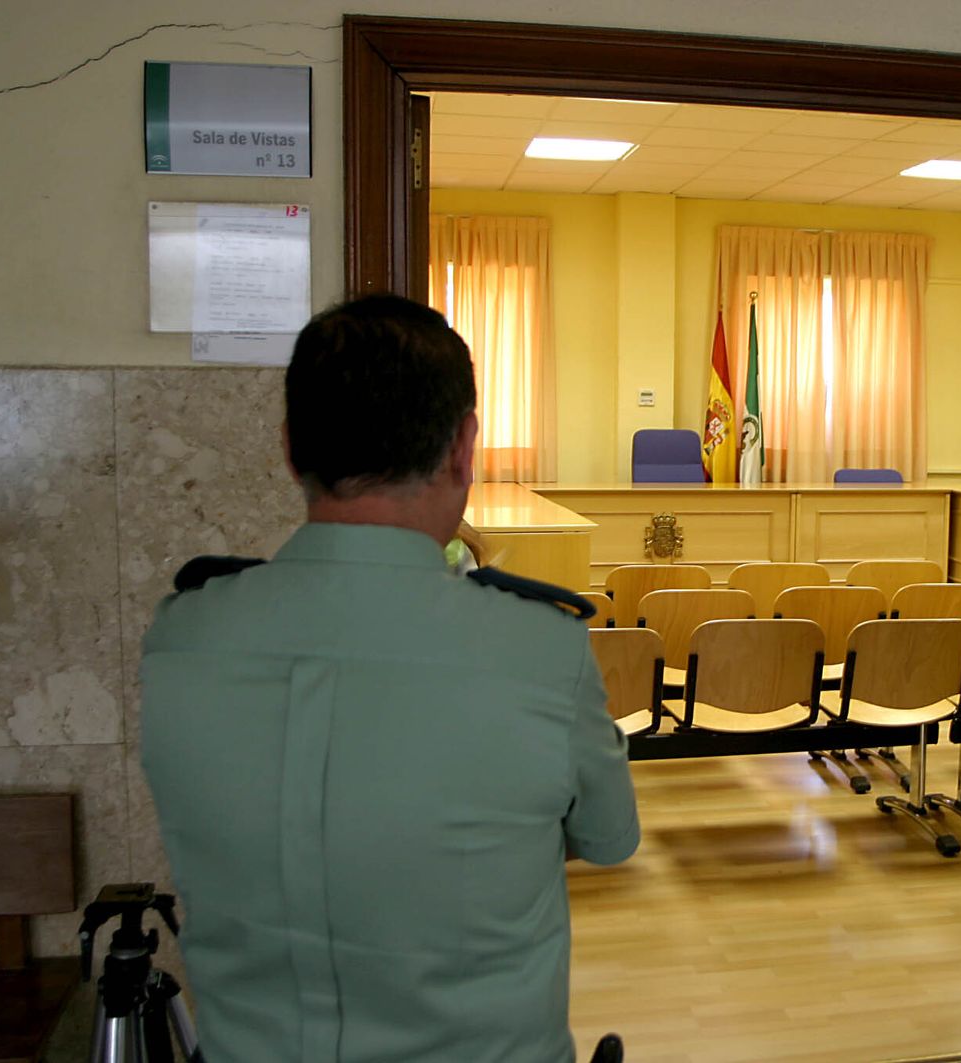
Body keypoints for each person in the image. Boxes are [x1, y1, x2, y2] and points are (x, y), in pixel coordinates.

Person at [139, 294, 640, 1062]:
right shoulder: (540, 649)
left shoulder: (183, 636)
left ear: (289, 449)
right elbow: (609, 838)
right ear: (462, 448)